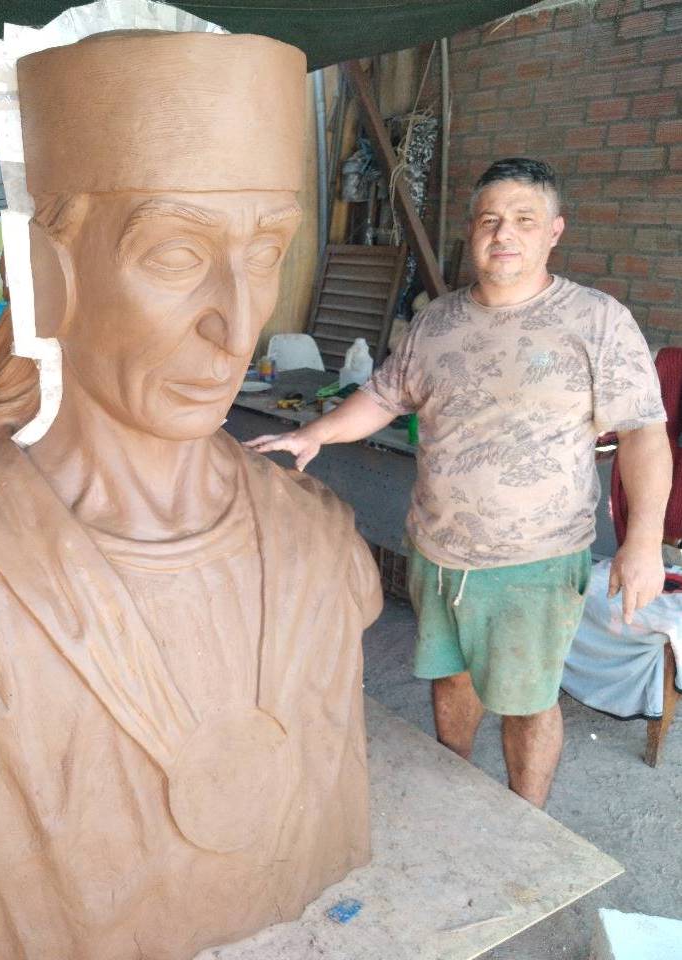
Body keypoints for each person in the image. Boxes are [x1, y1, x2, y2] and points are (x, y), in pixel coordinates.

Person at [0, 31, 382, 960]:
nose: (236, 326)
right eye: (174, 255)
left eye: (264, 252)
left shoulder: (317, 537)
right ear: (47, 276)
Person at [247, 157, 671, 808]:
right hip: (438, 552)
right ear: (472, 230)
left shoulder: (596, 320)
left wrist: (641, 543)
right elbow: (384, 397)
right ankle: (458, 789)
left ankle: (524, 819)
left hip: (534, 560)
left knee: (527, 702)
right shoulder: (437, 321)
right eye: (490, 219)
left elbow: (643, 434)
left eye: (524, 219)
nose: (504, 233)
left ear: (553, 231)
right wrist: (315, 435)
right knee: (449, 679)